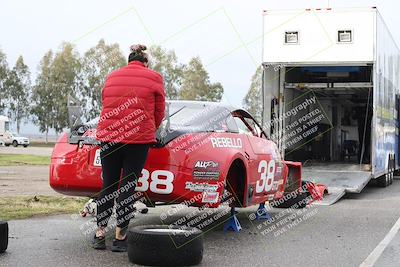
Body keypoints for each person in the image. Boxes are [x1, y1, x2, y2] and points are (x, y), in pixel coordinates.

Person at [93, 44, 165, 252]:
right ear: (146, 62)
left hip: (109, 137)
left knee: (108, 185)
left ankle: (99, 235)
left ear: (129, 60)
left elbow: (105, 102)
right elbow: (159, 110)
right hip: (137, 140)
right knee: (127, 186)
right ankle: (119, 238)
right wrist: (151, 128)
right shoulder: (154, 77)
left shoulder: (112, 76)